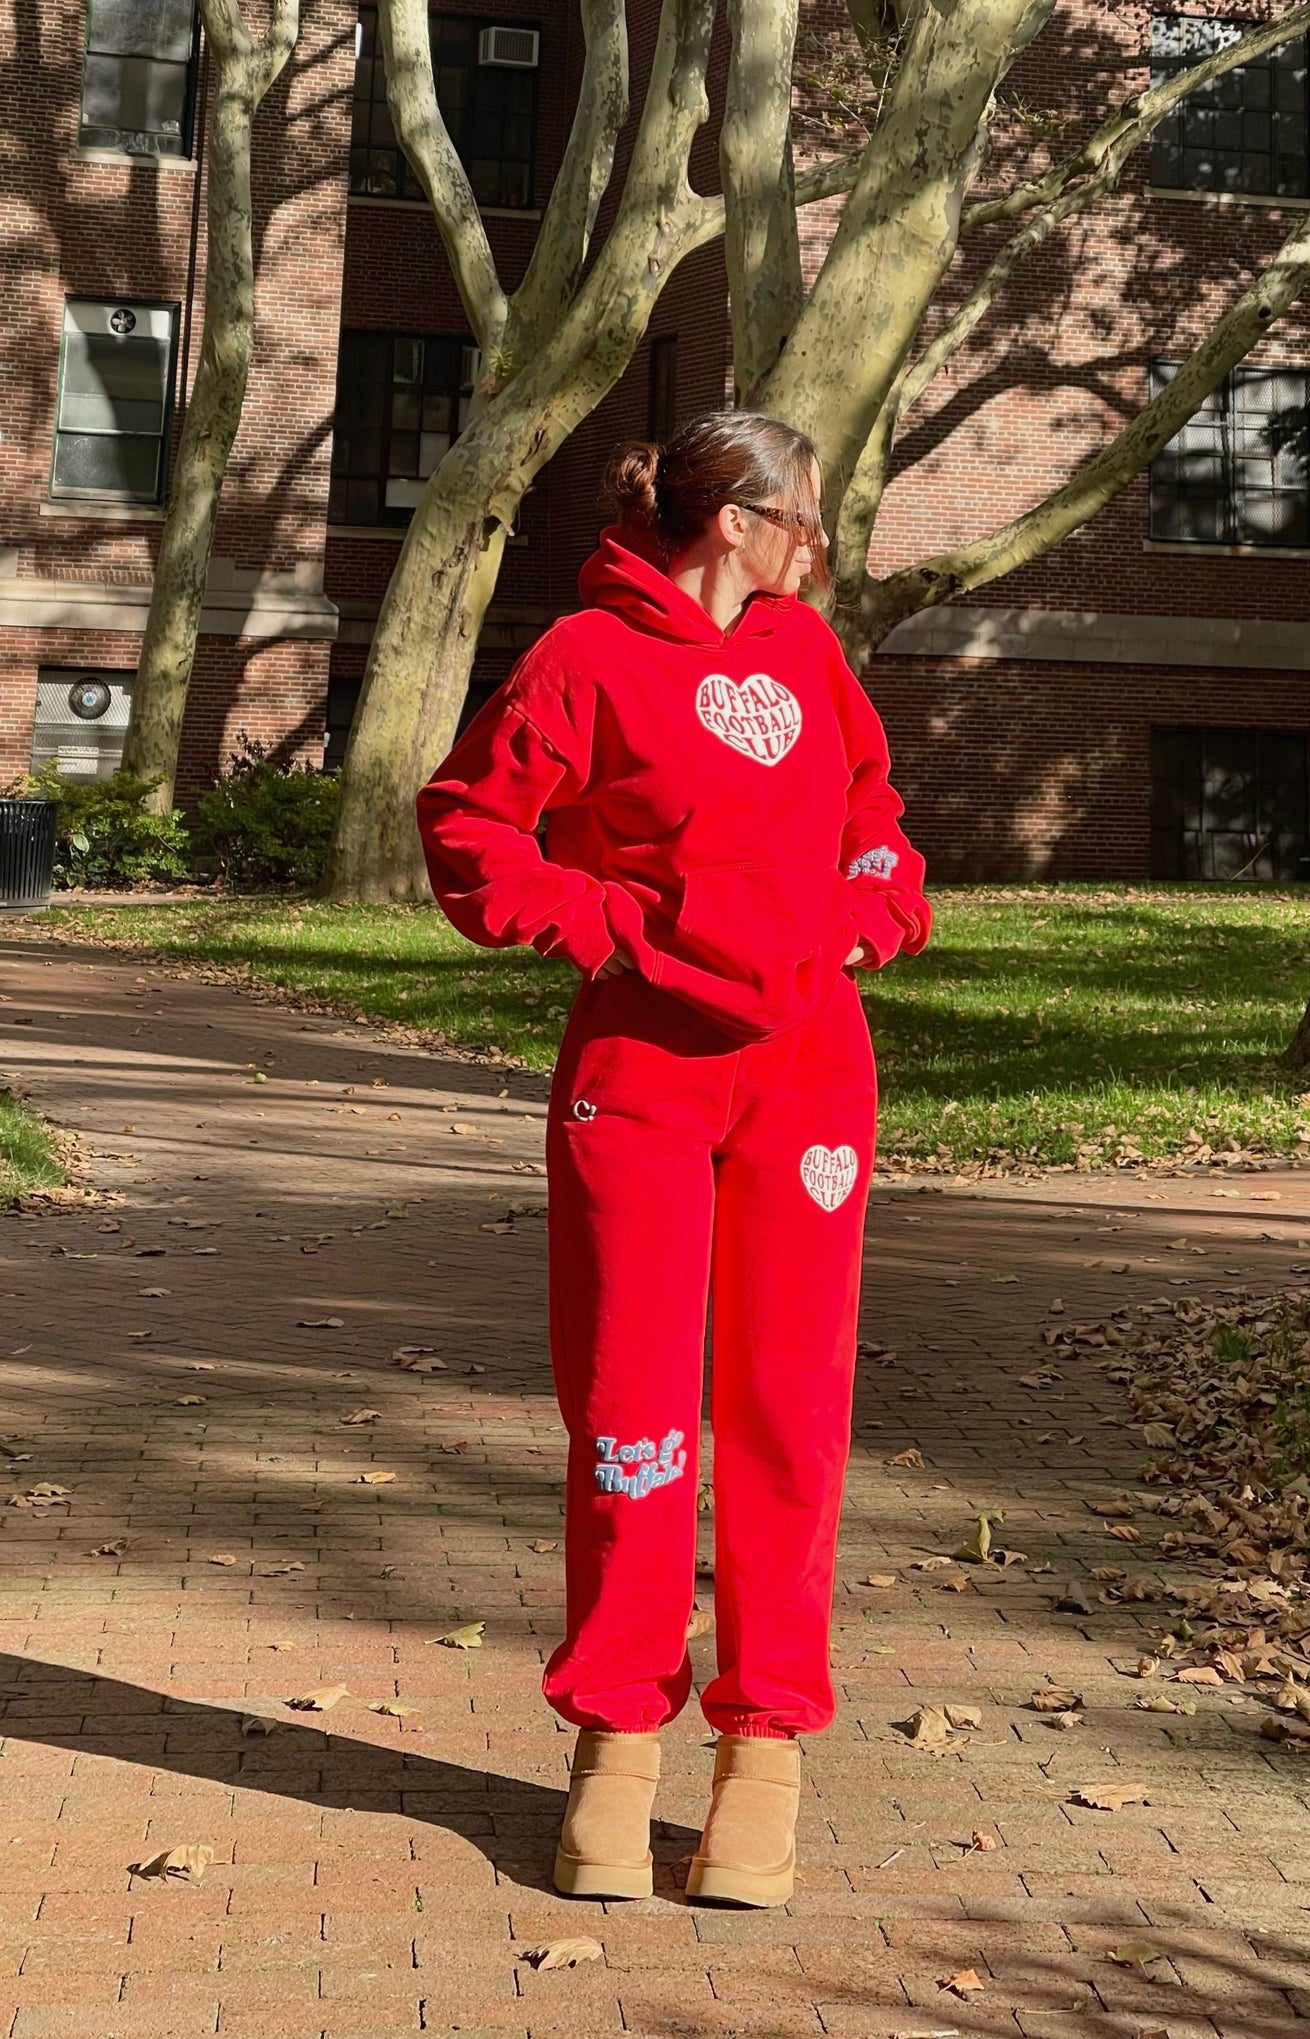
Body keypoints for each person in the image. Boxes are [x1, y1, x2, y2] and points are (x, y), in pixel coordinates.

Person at [416, 410, 931, 1908]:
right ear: (734, 522)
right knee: (632, 1409)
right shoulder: (585, 658)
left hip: (809, 1079)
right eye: (808, 526)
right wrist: (613, 933)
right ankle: (614, 1744)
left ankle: (764, 1748)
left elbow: (871, 815)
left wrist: (868, 912)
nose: (817, 553)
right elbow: (468, 826)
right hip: (639, 1081)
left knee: (786, 1410)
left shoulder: (807, 659)